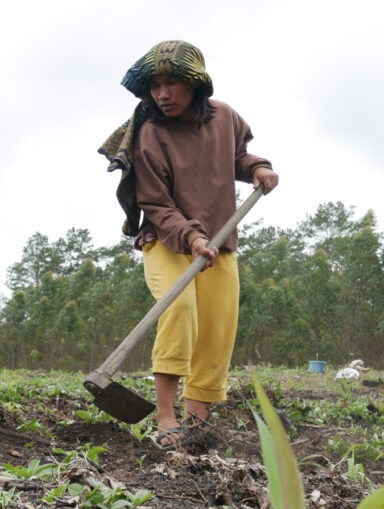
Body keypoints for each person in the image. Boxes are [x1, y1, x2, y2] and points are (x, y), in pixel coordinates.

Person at [99, 40, 278, 449]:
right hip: (166, 240)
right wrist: (192, 236)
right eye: (156, 85)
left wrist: (258, 167)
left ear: (196, 84)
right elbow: (156, 204)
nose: (163, 94)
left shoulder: (225, 118)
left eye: (173, 84)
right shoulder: (149, 136)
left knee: (217, 327)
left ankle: (195, 424)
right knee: (179, 307)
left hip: (220, 240)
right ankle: (165, 417)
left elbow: (238, 157)